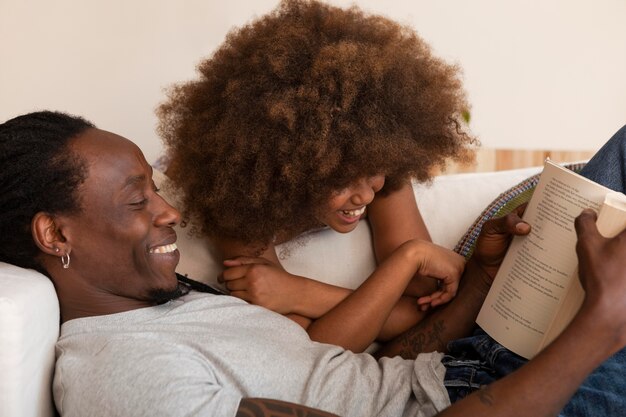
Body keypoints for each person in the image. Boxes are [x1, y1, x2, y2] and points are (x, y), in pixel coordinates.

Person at [2, 110, 626, 417]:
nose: (169, 213)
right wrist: (599, 326)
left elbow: (375, 371)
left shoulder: (174, 302)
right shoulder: (121, 373)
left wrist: (483, 281)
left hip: (472, 366)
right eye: (138, 200)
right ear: (55, 233)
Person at [158, 0, 473, 351]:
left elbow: (425, 299)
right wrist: (399, 274)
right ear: (289, 167)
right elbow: (307, 348)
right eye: (341, 181)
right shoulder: (235, 193)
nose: (366, 195)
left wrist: (301, 292)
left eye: (372, 174)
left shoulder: (373, 159)